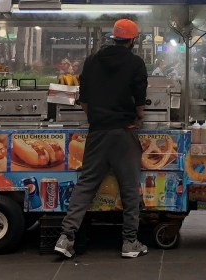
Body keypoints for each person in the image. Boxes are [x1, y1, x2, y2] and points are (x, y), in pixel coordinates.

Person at [55, 18, 149, 260]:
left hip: (97, 131)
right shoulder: (136, 63)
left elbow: (83, 99)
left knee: (86, 184)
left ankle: (66, 237)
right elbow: (140, 102)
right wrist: (138, 117)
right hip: (123, 133)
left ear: (113, 37)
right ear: (132, 40)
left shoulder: (92, 60)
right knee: (129, 188)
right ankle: (129, 242)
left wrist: (97, 117)